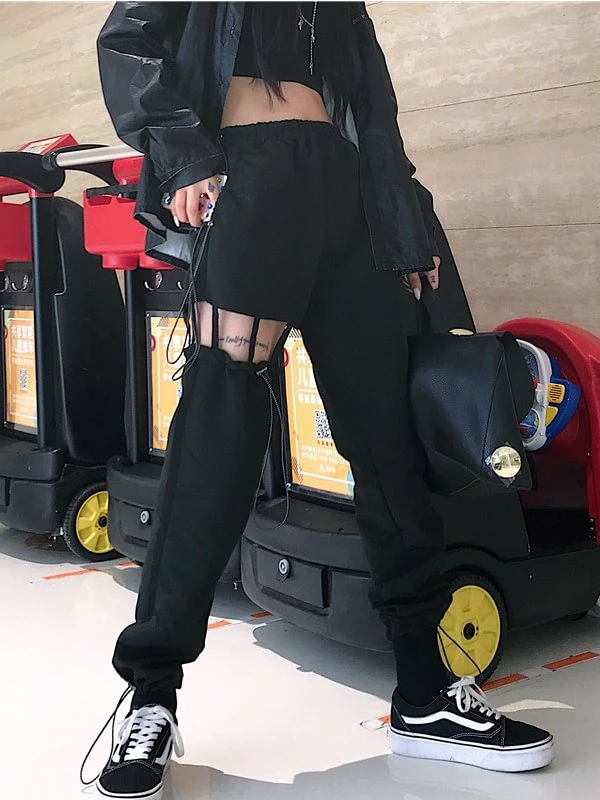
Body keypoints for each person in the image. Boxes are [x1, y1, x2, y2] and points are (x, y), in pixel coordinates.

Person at [91, 3, 554, 797]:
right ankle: (152, 693)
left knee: (388, 443)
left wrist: (405, 221)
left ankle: (423, 694)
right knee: (218, 433)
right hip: (251, 175)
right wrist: (183, 152)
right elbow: (126, 41)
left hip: (350, 197)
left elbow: (374, 108)